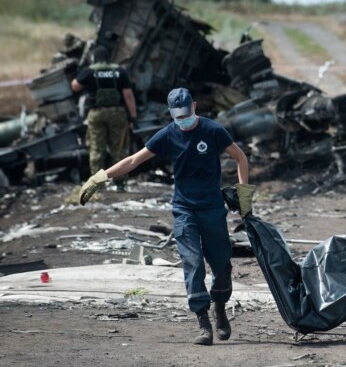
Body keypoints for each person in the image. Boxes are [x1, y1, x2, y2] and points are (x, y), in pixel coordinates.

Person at [78, 88, 255, 346]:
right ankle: (203, 322)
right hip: (184, 210)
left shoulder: (213, 130)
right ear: (171, 113)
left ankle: (219, 307)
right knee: (192, 262)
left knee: (222, 266)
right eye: (177, 115)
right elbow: (134, 160)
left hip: (213, 209)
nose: (182, 119)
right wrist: (101, 176)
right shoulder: (168, 134)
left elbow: (240, 157)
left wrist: (245, 197)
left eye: (186, 114)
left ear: (194, 107)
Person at [71, 45, 137, 189]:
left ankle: (97, 185)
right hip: (117, 113)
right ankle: (120, 183)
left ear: (94, 58)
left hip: (96, 114)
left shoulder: (89, 71)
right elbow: (128, 95)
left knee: (96, 149)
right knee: (119, 149)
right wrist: (132, 117)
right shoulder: (119, 71)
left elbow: (75, 86)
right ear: (108, 58)